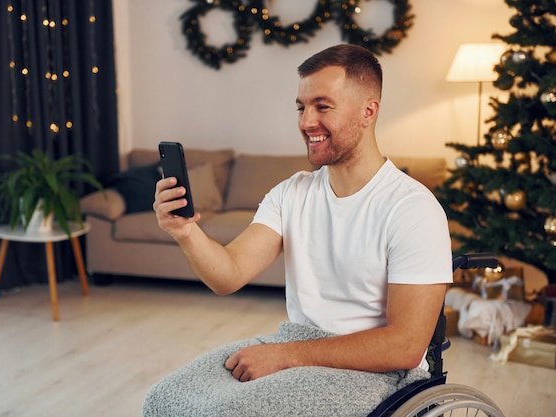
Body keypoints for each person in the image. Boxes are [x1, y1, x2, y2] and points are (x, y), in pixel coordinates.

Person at [142, 44, 452, 416]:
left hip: (377, 373)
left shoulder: (412, 209)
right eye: (301, 107)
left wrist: (286, 356)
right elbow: (229, 275)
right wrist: (184, 232)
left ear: (369, 111)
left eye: (323, 106)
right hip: (296, 346)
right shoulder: (293, 193)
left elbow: (404, 346)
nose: (306, 122)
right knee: (162, 400)